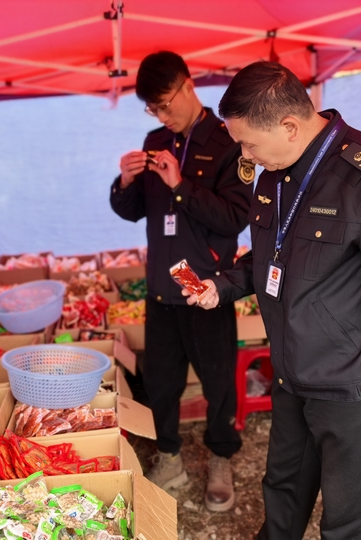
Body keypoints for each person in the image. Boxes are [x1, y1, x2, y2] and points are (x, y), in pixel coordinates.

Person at [185, 61, 361, 538]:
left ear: (289, 126)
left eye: (248, 144)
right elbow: (268, 254)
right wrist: (222, 285)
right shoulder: (274, 172)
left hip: (349, 382)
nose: (244, 155)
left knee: (344, 519)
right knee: (281, 490)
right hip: (290, 371)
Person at [109, 51, 253, 512]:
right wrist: (124, 182)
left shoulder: (228, 141)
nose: (161, 116)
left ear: (188, 85)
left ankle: (220, 457)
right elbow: (133, 210)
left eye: (165, 104)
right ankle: (169, 457)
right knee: (161, 382)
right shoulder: (155, 141)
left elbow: (234, 217)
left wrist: (180, 186)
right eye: (152, 109)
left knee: (218, 382)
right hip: (160, 289)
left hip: (207, 291)